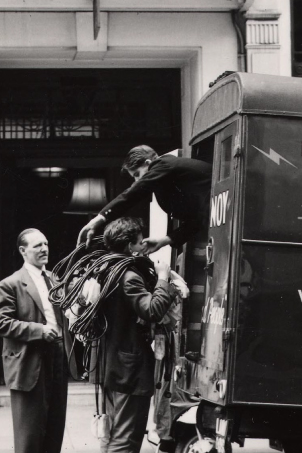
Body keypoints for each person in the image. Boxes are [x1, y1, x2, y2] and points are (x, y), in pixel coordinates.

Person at [99, 217, 178, 453]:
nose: (143, 245)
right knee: (126, 438)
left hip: (115, 364)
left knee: (114, 434)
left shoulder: (107, 269)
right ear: (129, 245)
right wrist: (162, 277)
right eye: (140, 241)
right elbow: (153, 310)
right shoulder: (128, 276)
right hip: (129, 369)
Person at [0, 229, 70, 453]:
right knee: (29, 435)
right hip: (29, 362)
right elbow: (3, 322)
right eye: (37, 245)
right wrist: (39, 330)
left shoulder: (55, 279)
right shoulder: (10, 284)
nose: (44, 249)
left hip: (57, 356)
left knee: (54, 429)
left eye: (46, 244)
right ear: (23, 251)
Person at [78, 145, 211, 253]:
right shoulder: (166, 182)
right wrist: (163, 241)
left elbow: (133, 194)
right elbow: (196, 221)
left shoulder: (162, 164)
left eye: (137, 174)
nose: (137, 180)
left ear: (148, 163)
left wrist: (99, 219)